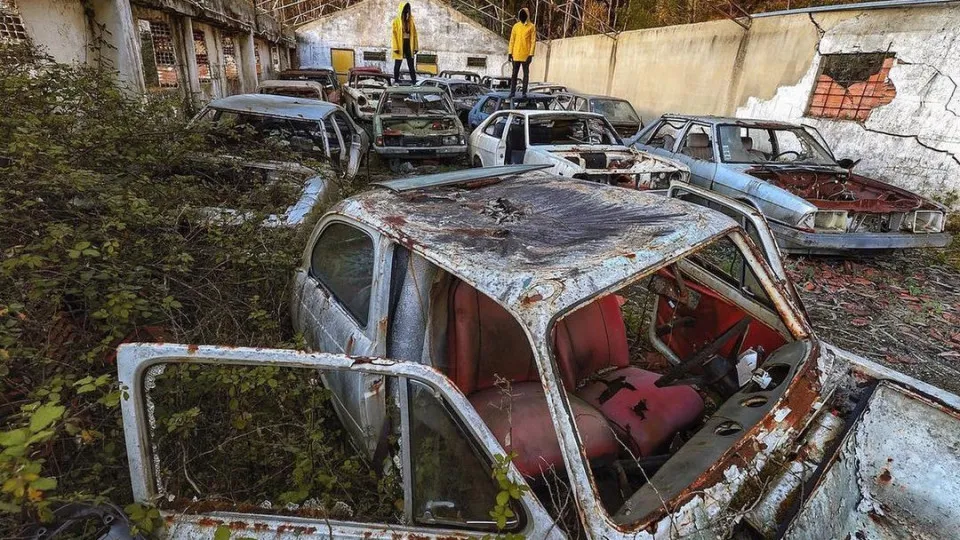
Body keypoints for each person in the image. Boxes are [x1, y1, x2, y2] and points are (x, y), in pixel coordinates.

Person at [508, 8, 536, 97]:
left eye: (524, 15)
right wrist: (510, 52)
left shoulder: (531, 27)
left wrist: (531, 54)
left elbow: (533, 41)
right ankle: (512, 92)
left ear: (527, 16)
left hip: (526, 55)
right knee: (514, 74)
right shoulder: (516, 26)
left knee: (526, 74)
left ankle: (524, 93)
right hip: (515, 54)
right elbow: (512, 40)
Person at [391, 2, 419, 83]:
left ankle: (413, 80)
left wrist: (416, 47)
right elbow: (394, 35)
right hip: (400, 44)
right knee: (398, 63)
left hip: (408, 44)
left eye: (407, 11)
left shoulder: (410, 22)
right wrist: (395, 47)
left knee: (411, 63)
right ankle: (396, 79)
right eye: (404, 11)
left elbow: (414, 35)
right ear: (401, 11)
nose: (406, 13)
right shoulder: (396, 21)